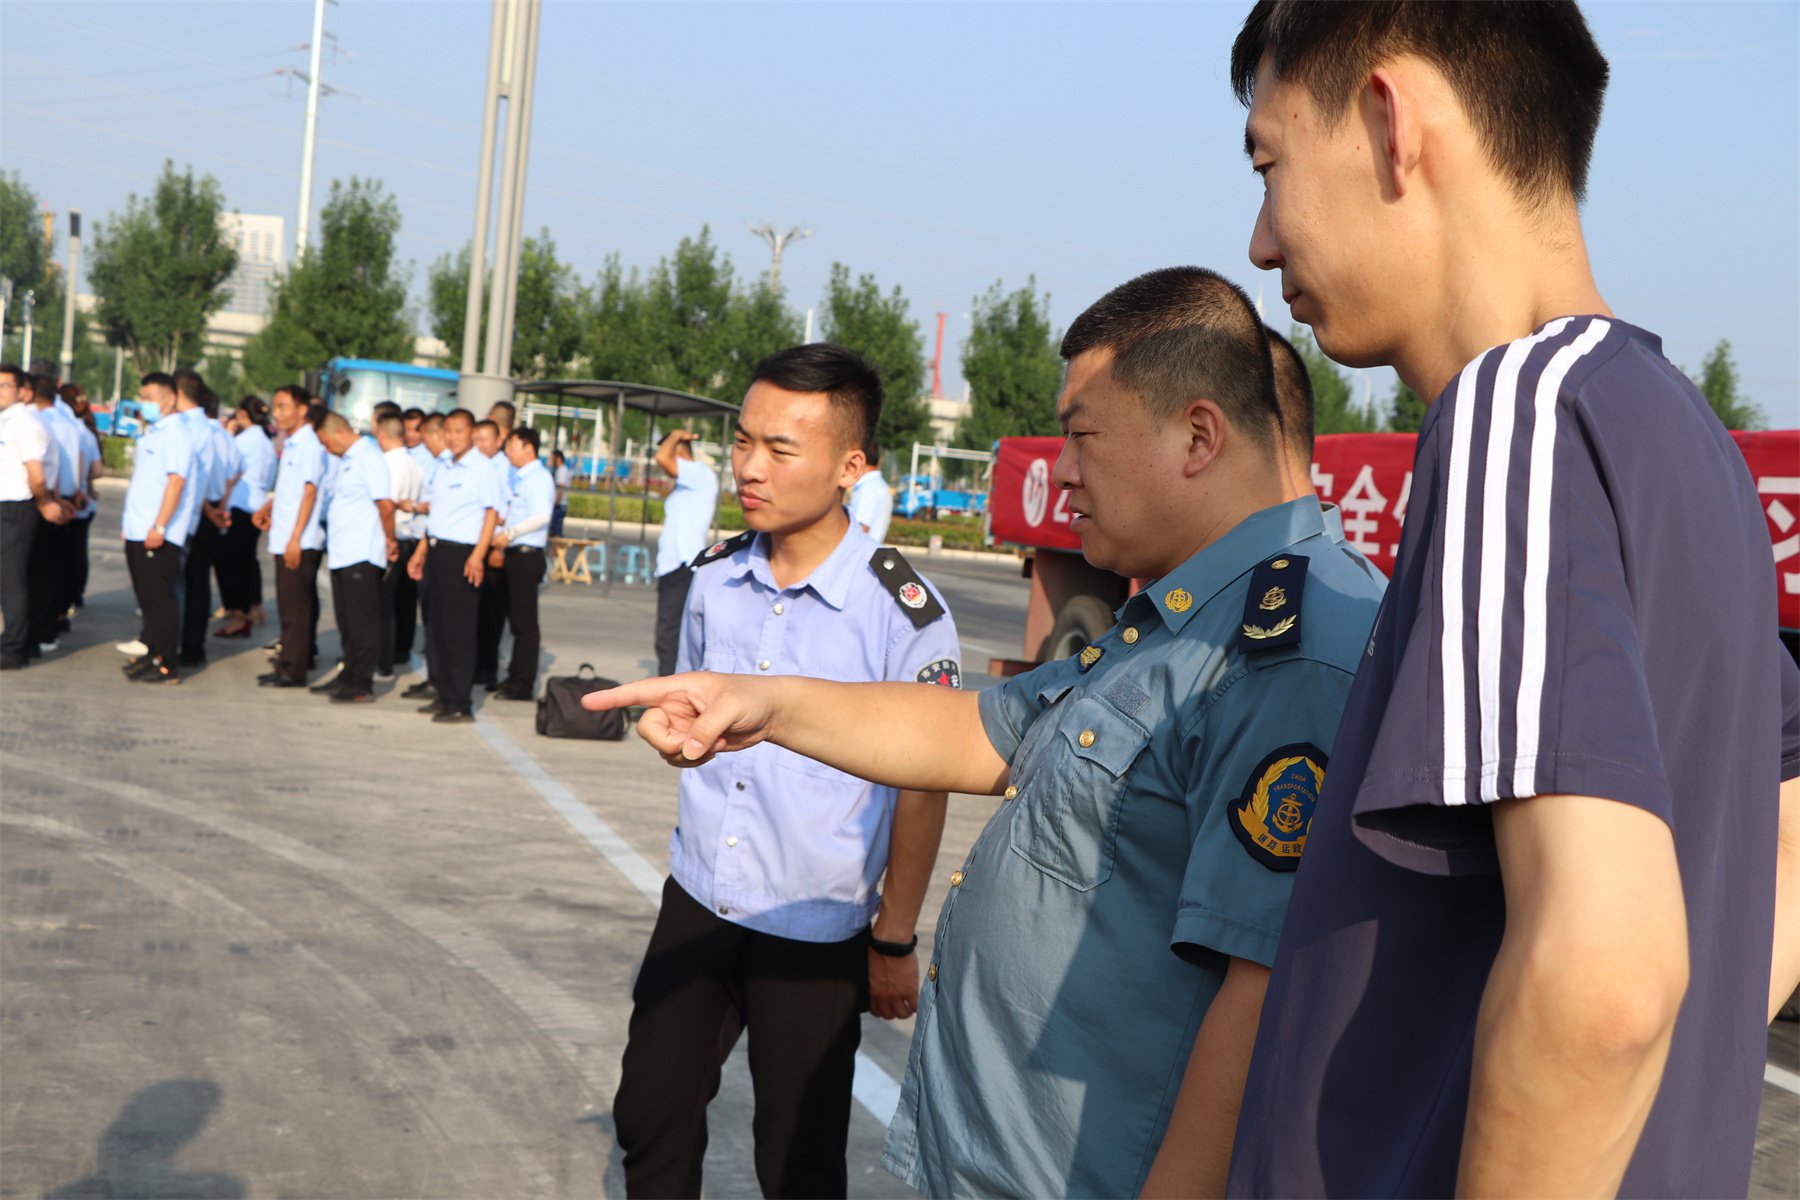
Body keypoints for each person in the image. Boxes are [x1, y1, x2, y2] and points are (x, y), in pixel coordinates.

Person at [586, 274, 1386, 1196]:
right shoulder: (1178, 616)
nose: (1062, 473)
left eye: (1081, 437)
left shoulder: (1285, 652)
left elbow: (1264, 1001)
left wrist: (890, 934)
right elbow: (979, 729)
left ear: (1197, 436)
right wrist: (760, 704)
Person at [1225, 5, 1800, 1196]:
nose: (1262, 243)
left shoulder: (1517, 413)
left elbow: (1605, 984)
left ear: (1391, 124)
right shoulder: (1682, 438)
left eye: (1271, 165)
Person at [600, 343, 962, 1199]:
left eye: (780, 449)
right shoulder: (716, 578)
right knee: (650, 1115)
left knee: (795, 1159)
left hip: (816, 923)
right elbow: (690, 708)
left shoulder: (902, 612)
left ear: (851, 466)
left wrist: (894, 936)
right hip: (701, 894)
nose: (750, 469)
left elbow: (925, 781)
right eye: (743, 442)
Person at [406, 408, 500, 723]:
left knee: (459, 632)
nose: (453, 436)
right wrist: (421, 551)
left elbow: (491, 514)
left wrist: (478, 555)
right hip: (436, 550)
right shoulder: (443, 465)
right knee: (436, 629)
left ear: (471, 433)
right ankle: (443, 693)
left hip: (463, 555)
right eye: (448, 430)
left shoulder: (482, 468)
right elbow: (436, 515)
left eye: (459, 430)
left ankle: (460, 702)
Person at [118, 371, 198, 684]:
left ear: (171, 399)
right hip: (139, 529)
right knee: (147, 600)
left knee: (161, 600)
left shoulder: (177, 434)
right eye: (143, 397)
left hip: (158, 532)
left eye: (150, 398)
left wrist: (160, 526)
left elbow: (175, 482)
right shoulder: (154, 431)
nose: (145, 404)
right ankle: (151, 652)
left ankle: (167, 663)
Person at [316, 412, 395, 703]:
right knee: (347, 621)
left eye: (326, 442)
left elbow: (385, 506)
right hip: (342, 553)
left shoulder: (369, 457)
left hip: (362, 552)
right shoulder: (347, 460)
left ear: (337, 432)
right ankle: (348, 674)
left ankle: (362, 682)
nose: (326, 449)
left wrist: (390, 539)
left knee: (363, 623)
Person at [255, 386, 326, 689]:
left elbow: (309, 493)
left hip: (299, 540)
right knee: (290, 607)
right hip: (285, 536)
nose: (277, 413)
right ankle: (292, 661)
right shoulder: (293, 443)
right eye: (275, 406)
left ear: (301, 410)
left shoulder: (309, 444)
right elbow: (291, 490)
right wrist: (269, 507)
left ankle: (293, 670)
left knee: (295, 609)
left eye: (284, 406)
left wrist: (295, 538)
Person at [0, 364, 70, 671]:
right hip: (9, 505)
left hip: (18, 507)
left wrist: (43, 502)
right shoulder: (9, 420)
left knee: (13, 580)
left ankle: (15, 648)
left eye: (4, 386)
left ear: (23, 392)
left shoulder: (25, 422)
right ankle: (18, 641)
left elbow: (36, 473)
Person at [175, 377, 239, 668]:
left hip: (197, 510)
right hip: (211, 509)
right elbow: (234, 473)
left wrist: (211, 510)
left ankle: (183, 645)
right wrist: (221, 506)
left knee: (187, 583)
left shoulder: (192, 430)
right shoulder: (223, 436)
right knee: (198, 583)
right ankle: (192, 646)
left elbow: (191, 478)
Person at [488, 428, 553, 700]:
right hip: (515, 554)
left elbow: (541, 516)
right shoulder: (521, 477)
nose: (507, 452)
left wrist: (509, 533)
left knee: (525, 623)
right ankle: (515, 676)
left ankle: (523, 684)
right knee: (516, 621)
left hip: (527, 554)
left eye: (511, 447)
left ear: (529, 448)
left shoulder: (538, 477)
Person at [650, 428, 720, 677]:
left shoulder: (699, 475)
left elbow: (662, 459)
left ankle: (669, 695)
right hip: (673, 566)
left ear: (680, 450)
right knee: (670, 636)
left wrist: (677, 435)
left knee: (670, 637)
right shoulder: (686, 483)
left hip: (683, 566)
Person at [25, 371, 80, 654]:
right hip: (63, 497)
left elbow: (41, 471)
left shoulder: (33, 422)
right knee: (54, 568)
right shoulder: (70, 423)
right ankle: (51, 625)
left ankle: (34, 632)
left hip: (39, 500)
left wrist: (49, 500)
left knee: (35, 572)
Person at [215, 396, 274, 638]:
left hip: (240, 504)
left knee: (224, 558)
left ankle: (237, 612)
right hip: (257, 506)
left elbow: (230, 468)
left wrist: (229, 434)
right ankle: (254, 606)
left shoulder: (245, 440)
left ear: (241, 414)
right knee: (247, 559)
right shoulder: (266, 442)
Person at [376, 411, 424, 681]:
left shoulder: (386, 463)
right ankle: (400, 651)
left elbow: (386, 505)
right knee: (403, 603)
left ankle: (383, 661)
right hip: (408, 536)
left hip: (391, 536)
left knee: (384, 604)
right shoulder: (414, 463)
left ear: (382, 434)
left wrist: (388, 540)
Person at [57, 382, 104, 615]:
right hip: (85, 501)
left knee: (64, 556)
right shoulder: (86, 430)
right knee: (77, 551)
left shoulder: (67, 428)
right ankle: (75, 595)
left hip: (71, 499)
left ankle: (63, 603)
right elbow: (97, 469)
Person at [472, 417, 512, 689]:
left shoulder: (504, 468)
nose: (479, 444)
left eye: (485, 439)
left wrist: (498, 547)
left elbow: (506, 509)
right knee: (476, 611)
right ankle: (477, 665)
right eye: (476, 439)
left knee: (491, 613)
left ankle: (487, 669)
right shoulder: (476, 464)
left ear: (499, 441)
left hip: (494, 547)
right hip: (476, 545)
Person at [847, 441, 893, 545]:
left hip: (860, 557)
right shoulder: (878, 485)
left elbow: (861, 529)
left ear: (858, 460)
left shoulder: (868, 488)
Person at [548, 448, 571, 539]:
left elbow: (560, 487)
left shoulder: (562, 470)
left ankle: (557, 553)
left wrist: (556, 502)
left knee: (556, 533)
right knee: (555, 531)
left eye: (552, 458)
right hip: (560, 504)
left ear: (558, 459)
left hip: (559, 505)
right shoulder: (560, 470)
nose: (550, 460)